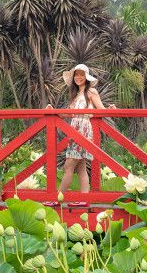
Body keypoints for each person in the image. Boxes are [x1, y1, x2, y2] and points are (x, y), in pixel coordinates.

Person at [46, 64, 115, 206]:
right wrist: (53, 111)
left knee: (68, 166)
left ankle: (57, 199)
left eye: (81, 74)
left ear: (86, 77)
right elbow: (67, 113)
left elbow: (101, 109)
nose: (78, 77)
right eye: (76, 75)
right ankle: (84, 200)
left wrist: (111, 109)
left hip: (83, 131)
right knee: (81, 167)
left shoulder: (91, 92)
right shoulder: (76, 94)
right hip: (74, 131)